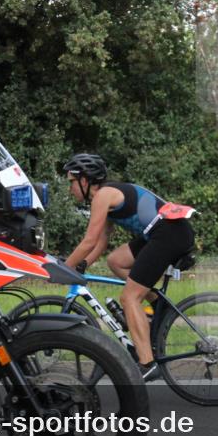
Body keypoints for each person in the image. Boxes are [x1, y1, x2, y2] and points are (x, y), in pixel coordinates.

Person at [62, 153, 195, 381]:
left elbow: (89, 241)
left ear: (85, 180)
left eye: (71, 182)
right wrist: (82, 265)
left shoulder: (103, 196)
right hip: (163, 232)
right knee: (116, 261)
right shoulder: (107, 195)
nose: (69, 188)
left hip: (168, 234)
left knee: (130, 298)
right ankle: (158, 304)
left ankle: (147, 363)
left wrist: (64, 267)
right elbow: (101, 242)